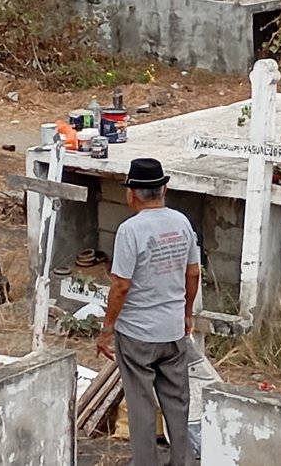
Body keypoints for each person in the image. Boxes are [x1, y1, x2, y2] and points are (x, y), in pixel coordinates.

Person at [96, 158, 201, 466]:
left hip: (137, 334)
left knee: (141, 405)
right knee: (177, 403)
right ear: (163, 189)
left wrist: (106, 330)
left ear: (131, 193)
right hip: (173, 330)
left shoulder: (130, 230)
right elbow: (193, 272)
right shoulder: (182, 222)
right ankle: (182, 461)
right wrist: (187, 313)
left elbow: (121, 286)